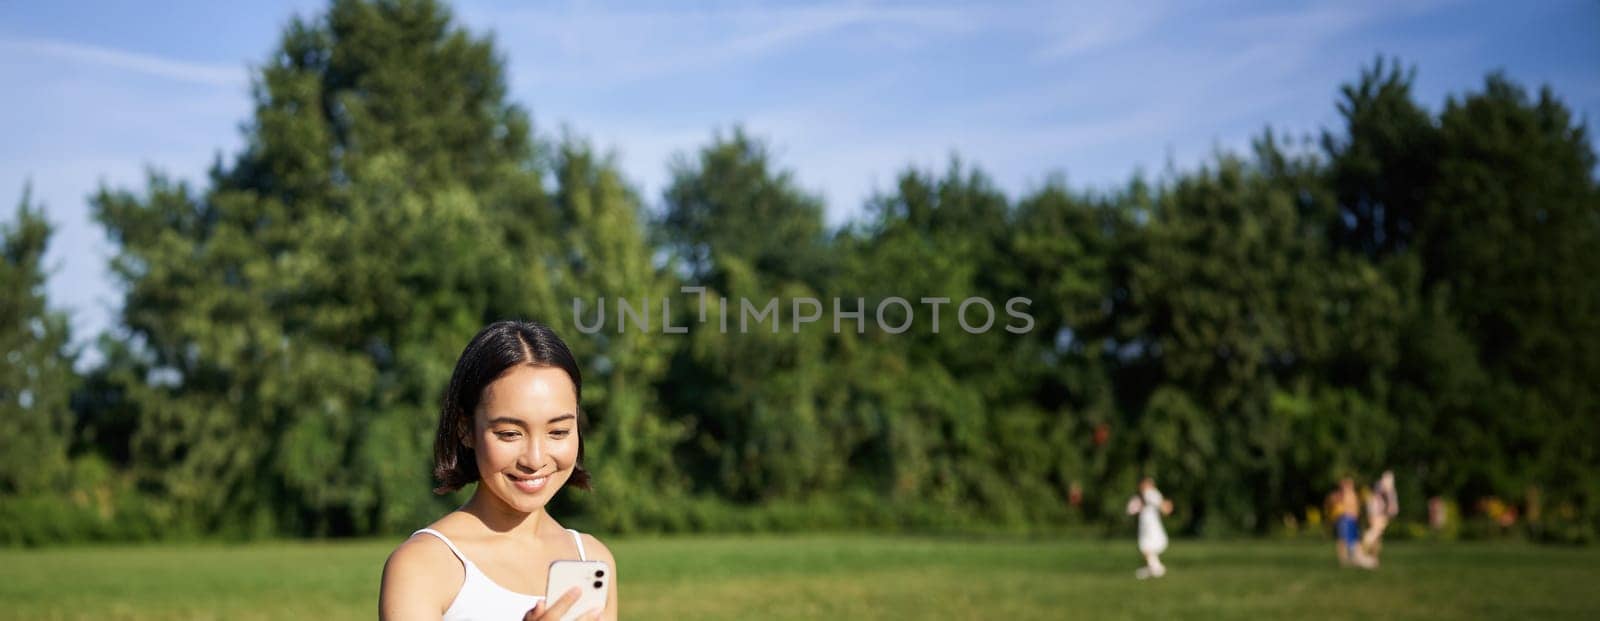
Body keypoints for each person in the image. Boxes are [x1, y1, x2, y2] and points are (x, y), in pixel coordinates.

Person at [380, 321, 617, 621]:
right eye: (509, 433)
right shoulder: (423, 565)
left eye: (558, 431)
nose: (534, 458)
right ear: (465, 430)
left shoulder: (593, 559)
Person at [1126, 476, 1173, 579]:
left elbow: (1163, 507)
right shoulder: (1142, 496)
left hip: (1152, 527)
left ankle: (1157, 568)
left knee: (1146, 547)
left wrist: (1166, 507)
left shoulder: (1151, 493)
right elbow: (1130, 509)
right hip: (1146, 526)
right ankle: (1153, 568)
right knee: (1146, 548)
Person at [1330, 476, 1374, 569]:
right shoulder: (1342, 494)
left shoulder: (1352, 493)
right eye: (1348, 483)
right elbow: (1333, 501)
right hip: (1346, 519)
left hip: (1352, 520)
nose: (1351, 485)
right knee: (1345, 540)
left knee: (1353, 541)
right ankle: (1345, 559)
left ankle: (1353, 559)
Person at [1361, 470, 1399, 560]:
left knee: (1377, 537)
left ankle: (1373, 557)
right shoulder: (1381, 489)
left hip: (1380, 515)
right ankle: (1364, 553)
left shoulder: (1384, 489)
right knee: (1373, 535)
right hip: (1378, 515)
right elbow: (1386, 504)